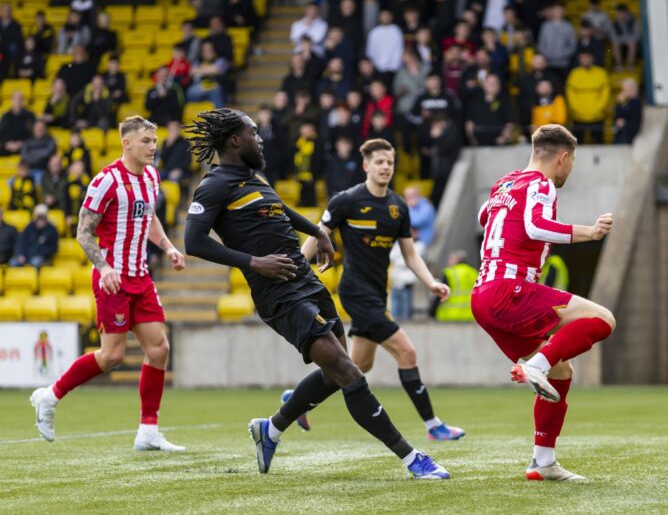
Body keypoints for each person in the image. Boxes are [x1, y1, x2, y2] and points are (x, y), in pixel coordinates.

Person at [182, 108, 449, 479]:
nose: (260, 139)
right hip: (278, 295)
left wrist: (319, 231)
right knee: (349, 371)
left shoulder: (252, 178)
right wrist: (253, 262)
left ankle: (270, 429)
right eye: (254, 133)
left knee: (333, 372)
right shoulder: (214, 185)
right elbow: (193, 241)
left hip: (306, 280)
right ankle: (412, 458)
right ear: (234, 140)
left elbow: (280, 209)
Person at [29, 116, 187, 451]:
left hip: (140, 276)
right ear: (126, 143)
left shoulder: (152, 177)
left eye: (154, 141)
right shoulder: (106, 180)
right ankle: (50, 396)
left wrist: (168, 246)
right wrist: (103, 267)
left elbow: (149, 217)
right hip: (112, 279)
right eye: (146, 140)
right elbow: (83, 232)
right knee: (112, 355)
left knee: (159, 349)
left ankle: (148, 431)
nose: (153, 146)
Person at [471, 124, 616, 480]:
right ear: (563, 158)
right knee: (604, 319)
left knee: (562, 371)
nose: (570, 169)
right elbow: (535, 227)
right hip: (510, 288)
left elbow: (484, 216)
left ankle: (543, 462)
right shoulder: (541, 183)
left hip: (483, 295)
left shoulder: (506, 183)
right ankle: (536, 364)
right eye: (572, 161)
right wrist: (590, 232)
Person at [298, 139, 466, 442]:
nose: (385, 167)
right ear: (366, 165)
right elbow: (318, 234)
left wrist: (431, 282)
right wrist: (298, 267)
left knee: (357, 366)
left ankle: (295, 399)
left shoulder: (398, 206)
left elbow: (410, 255)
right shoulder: (346, 201)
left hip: (377, 293)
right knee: (407, 352)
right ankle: (433, 426)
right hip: (355, 291)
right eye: (379, 162)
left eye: (390, 162)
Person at [566, 51, 610, 144]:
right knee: (578, 146)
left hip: (597, 116)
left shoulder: (601, 73)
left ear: (592, 58)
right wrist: (577, 109)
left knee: (599, 144)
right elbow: (570, 95)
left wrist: (598, 109)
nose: (585, 60)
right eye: (583, 57)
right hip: (578, 117)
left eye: (587, 57)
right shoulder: (574, 73)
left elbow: (605, 94)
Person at [435, 251, 478, 322]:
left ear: (457, 260)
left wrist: (432, 312)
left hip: (450, 315)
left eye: (450, 259)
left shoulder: (449, 273)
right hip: (471, 315)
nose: (448, 261)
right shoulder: (474, 272)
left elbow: (440, 294)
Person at [10, 203, 58, 268]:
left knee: (35, 262)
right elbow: (22, 242)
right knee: (13, 262)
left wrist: (39, 252)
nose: (40, 220)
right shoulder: (29, 227)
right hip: (26, 255)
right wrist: (21, 254)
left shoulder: (52, 230)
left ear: (46, 217)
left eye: (42, 217)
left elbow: (54, 248)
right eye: (39, 217)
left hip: (41, 257)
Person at [613, 79, 642, 144]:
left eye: (624, 90)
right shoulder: (627, 101)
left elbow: (631, 114)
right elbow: (618, 114)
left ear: (631, 89)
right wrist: (619, 103)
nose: (623, 92)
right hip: (623, 134)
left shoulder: (636, 102)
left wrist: (622, 103)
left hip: (631, 135)